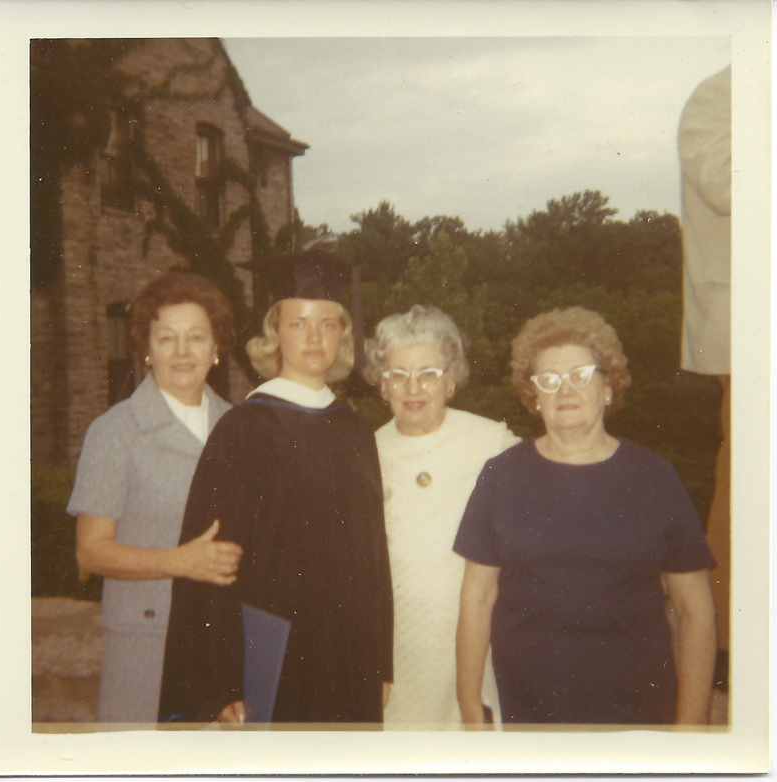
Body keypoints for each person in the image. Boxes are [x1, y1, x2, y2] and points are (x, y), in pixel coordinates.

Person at [158, 250, 393, 725]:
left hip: (348, 652)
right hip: (272, 649)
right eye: (298, 323)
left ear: (344, 335)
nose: (313, 337)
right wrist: (220, 681)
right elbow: (211, 560)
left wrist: (379, 658)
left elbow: (373, 553)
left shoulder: (355, 430)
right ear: (275, 333)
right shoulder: (244, 428)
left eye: (328, 324)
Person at [454, 306, 717, 725]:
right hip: (530, 705)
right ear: (532, 395)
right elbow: (477, 597)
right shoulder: (501, 475)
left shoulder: (655, 476)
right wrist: (469, 703)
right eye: (549, 380)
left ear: (608, 387)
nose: (565, 390)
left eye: (580, 375)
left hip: (639, 705)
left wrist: (692, 722)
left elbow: (695, 609)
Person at [67, 272, 243, 723]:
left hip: (223, 645)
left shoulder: (242, 429)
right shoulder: (114, 432)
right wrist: (180, 561)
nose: (182, 352)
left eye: (196, 337)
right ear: (147, 349)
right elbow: (90, 552)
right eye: (167, 338)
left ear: (216, 348)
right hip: (148, 644)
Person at [363, 305, 519, 728]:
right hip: (396, 648)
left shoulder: (491, 442)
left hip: (471, 642)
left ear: (451, 381)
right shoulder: (363, 453)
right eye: (398, 374)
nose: (413, 387)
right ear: (382, 383)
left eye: (428, 373)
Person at [679, 64, 732, 679]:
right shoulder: (721, 92)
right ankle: (728, 641)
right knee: (749, 483)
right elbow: (726, 183)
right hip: (754, 327)